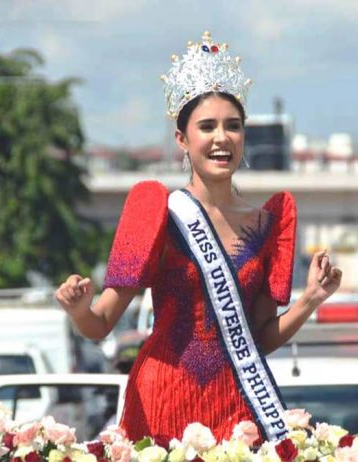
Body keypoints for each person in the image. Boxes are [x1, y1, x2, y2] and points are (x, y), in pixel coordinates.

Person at [55, 31, 342, 445]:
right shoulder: (154, 212)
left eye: (233, 126)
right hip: (160, 397)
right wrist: (79, 308)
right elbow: (99, 325)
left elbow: (261, 338)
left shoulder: (268, 225)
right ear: (182, 140)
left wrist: (311, 298)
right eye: (207, 127)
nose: (221, 138)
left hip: (237, 401)